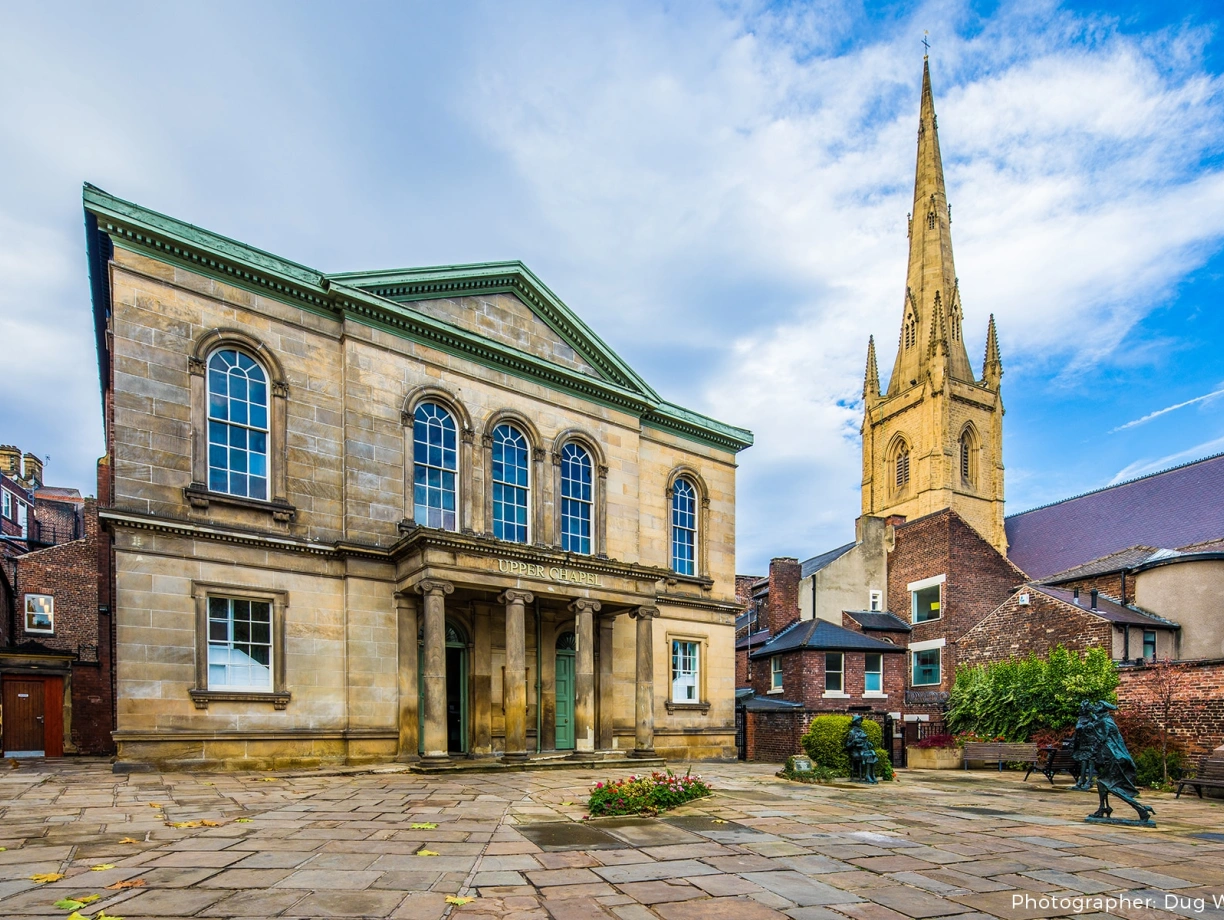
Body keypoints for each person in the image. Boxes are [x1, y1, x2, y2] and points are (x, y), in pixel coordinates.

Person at [1087, 701, 1155, 823]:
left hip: (1115, 757)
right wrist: (1094, 719)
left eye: (1097, 706)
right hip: (1117, 757)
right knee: (1101, 783)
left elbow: (1102, 738)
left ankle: (1141, 809)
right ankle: (1103, 808)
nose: (1095, 707)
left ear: (1103, 709)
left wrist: (1093, 728)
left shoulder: (1105, 722)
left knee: (1110, 785)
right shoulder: (1107, 720)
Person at [1070, 700, 1097, 790]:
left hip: (1091, 742)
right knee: (1083, 760)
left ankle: (1089, 780)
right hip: (1083, 741)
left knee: (1091, 760)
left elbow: (1097, 726)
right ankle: (1082, 780)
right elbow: (1078, 728)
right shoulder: (1081, 718)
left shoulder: (1093, 717)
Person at [844, 715, 878, 784]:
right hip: (855, 752)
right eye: (858, 721)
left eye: (860, 721)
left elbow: (864, 741)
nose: (860, 722)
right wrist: (854, 742)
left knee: (872, 754)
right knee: (868, 756)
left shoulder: (861, 731)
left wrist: (868, 743)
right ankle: (867, 776)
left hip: (863, 750)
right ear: (855, 722)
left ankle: (872, 775)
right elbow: (847, 745)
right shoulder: (852, 732)